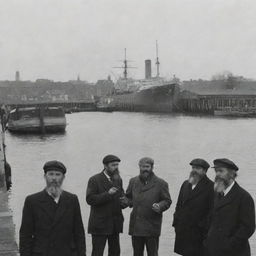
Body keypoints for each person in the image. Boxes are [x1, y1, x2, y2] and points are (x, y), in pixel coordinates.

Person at [19, 160, 86, 256]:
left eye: (58, 174)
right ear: (45, 176)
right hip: (42, 252)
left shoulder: (72, 199)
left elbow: (79, 232)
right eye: (50, 174)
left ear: (63, 177)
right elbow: (25, 235)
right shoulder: (32, 201)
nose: (54, 178)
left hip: (67, 252)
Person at [204, 158, 255, 256]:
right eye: (216, 171)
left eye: (221, 171)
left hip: (234, 252)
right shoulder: (216, 194)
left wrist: (228, 245)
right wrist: (207, 239)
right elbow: (210, 219)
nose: (217, 174)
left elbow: (248, 228)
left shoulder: (244, 197)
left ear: (232, 174)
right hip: (213, 250)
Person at [125, 157, 172, 256]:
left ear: (152, 167)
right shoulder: (133, 181)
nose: (145, 169)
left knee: (152, 254)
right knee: (137, 253)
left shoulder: (161, 183)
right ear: (139, 167)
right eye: (142, 166)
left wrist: (159, 206)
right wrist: (126, 202)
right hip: (136, 227)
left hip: (152, 226)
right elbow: (128, 198)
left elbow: (167, 200)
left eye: (147, 167)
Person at [172, 158, 214, 256]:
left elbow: (212, 212)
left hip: (198, 234)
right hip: (183, 231)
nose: (194, 170)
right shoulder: (186, 184)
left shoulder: (211, 187)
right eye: (193, 167)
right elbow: (179, 206)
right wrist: (176, 223)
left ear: (204, 171)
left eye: (198, 168)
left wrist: (203, 228)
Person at [86, 155, 125, 256]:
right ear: (105, 166)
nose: (116, 167)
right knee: (97, 253)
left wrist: (125, 202)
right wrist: (108, 194)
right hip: (99, 225)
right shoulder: (94, 179)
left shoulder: (118, 179)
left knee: (115, 252)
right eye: (113, 165)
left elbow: (121, 196)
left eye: (117, 165)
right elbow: (90, 199)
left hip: (115, 224)